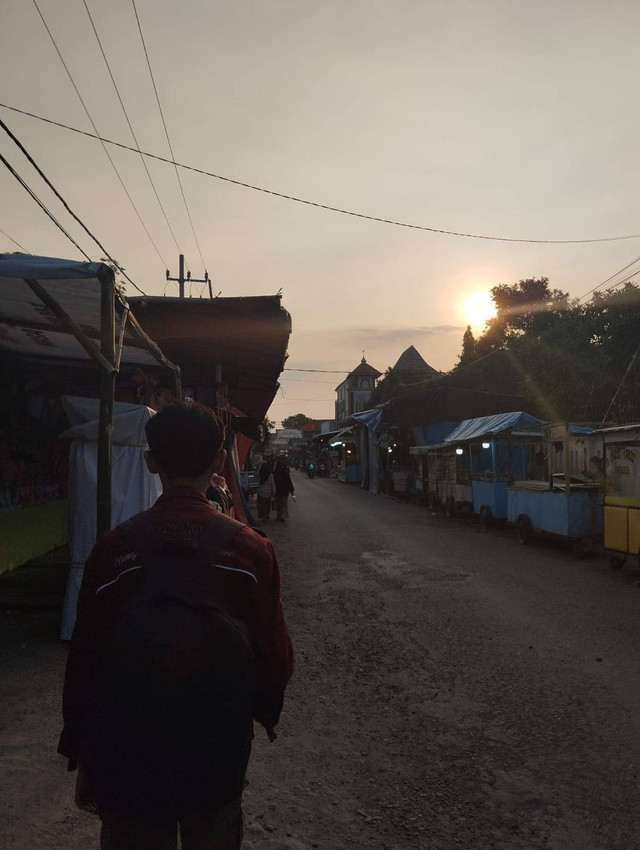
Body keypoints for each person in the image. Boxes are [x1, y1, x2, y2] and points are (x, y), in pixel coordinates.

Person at [59, 401, 293, 850]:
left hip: (129, 747)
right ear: (221, 460)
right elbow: (275, 657)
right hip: (216, 747)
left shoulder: (113, 550)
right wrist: (261, 713)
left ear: (150, 462)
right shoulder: (250, 552)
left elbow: (85, 656)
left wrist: (77, 738)